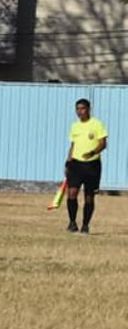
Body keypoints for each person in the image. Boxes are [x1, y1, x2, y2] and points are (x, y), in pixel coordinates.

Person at [65, 98, 108, 234]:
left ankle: (85, 225)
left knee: (89, 196)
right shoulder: (74, 126)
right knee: (72, 193)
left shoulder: (97, 124)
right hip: (76, 164)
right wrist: (68, 161)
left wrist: (93, 152)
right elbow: (73, 145)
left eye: (82, 108)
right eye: (77, 109)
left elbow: (103, 143)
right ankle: (72, 223)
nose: (80, 112)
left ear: (88, 109)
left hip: (92, 165)